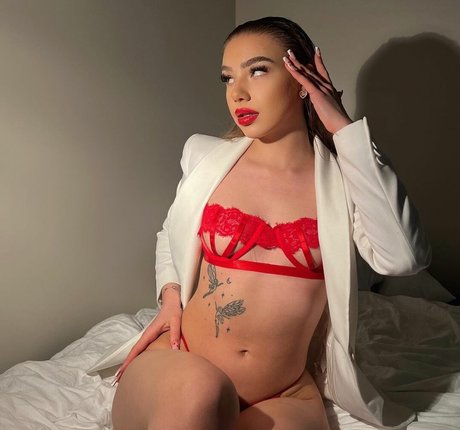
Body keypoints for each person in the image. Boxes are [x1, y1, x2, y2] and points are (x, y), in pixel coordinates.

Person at [109, 16, 431, 430]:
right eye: (228, 78)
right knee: (201, 394)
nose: (237, 92)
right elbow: (170, 233)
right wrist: (170, 295)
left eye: (257, 70)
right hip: (181, 363)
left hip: (286, 392)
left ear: (303, 80)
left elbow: (403, 258)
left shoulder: (343, 182)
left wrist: (342, 127)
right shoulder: (206, 158)